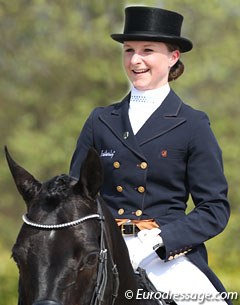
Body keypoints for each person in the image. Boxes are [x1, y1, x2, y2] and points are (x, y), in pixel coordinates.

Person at [69, 6, 232, 305]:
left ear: (173, 57)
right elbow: (76, 194)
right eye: (129, 50)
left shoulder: (192, 124)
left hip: (164, 253)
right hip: (103, 245)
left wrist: (164, 239)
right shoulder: (100, 120)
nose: (135, 60)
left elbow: (214, 209)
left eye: (147, 50)